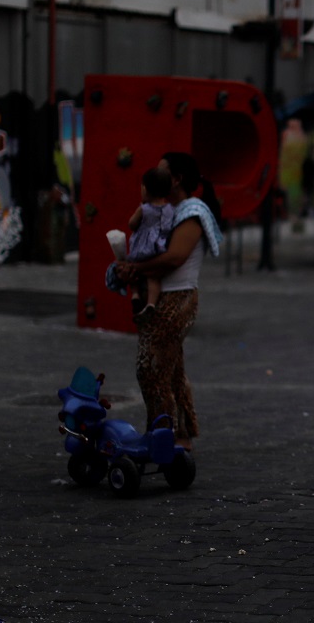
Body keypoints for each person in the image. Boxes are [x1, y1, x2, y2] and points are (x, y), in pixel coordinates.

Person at [115, 152, 221, 450]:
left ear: (176, 179)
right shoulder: (166, 210)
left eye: (161, 171)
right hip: (167, 297)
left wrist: (136, 268)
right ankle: (180, 437)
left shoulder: (191, 211)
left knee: (150, 367)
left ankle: (163, 434)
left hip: (177, 299)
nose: (154, 175)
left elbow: (175, 257)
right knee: (171, 369)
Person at [126, 167, 176, 319]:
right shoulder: (170, 209)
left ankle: (135, 294)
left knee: (133, 270)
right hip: (160, 246)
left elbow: (132, 224)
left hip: (142, 247)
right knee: (153, 277)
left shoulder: (144, 209)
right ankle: (151, 304)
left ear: (145, 190)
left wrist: (138, 213)